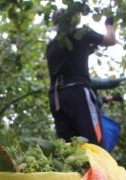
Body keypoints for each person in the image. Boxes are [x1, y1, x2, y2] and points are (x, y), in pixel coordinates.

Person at [46, 9, 116, 147]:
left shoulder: (51, 46)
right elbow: (110, 40)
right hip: (77, 92)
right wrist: (109, 24)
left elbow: (68, 59)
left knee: (68, 148)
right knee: (94, 143)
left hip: (56, 97)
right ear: (73, 20)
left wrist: (86, 51)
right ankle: (97, 168)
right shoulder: (81, 34)